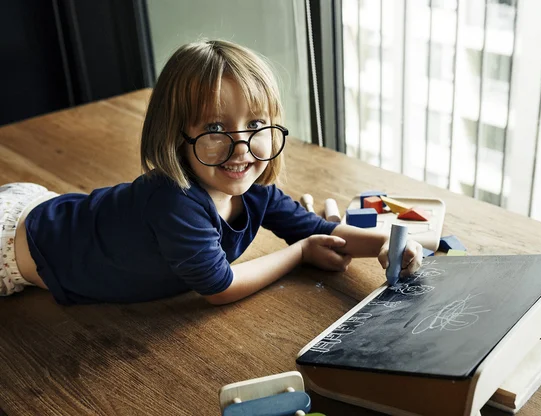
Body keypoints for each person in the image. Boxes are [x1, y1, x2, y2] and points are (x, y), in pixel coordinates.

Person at [0, 40, 423, 304]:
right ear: (175, 133)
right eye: (215, 128)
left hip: (49, 207)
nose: (240, 149)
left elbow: (317, 230)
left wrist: (388, 244)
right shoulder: (173, 201)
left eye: (255, 125)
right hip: (15, 245)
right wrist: (299, 252)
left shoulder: (255, 189)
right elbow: (219, 288)